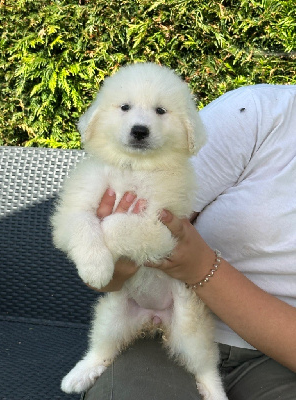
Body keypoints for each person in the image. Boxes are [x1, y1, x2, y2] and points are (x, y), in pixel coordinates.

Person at [82, 84, 296, 400]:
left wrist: (200, 268)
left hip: (280, 361)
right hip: (161, 328)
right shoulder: (262, 114)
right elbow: (108, 271)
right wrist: (112, 256)